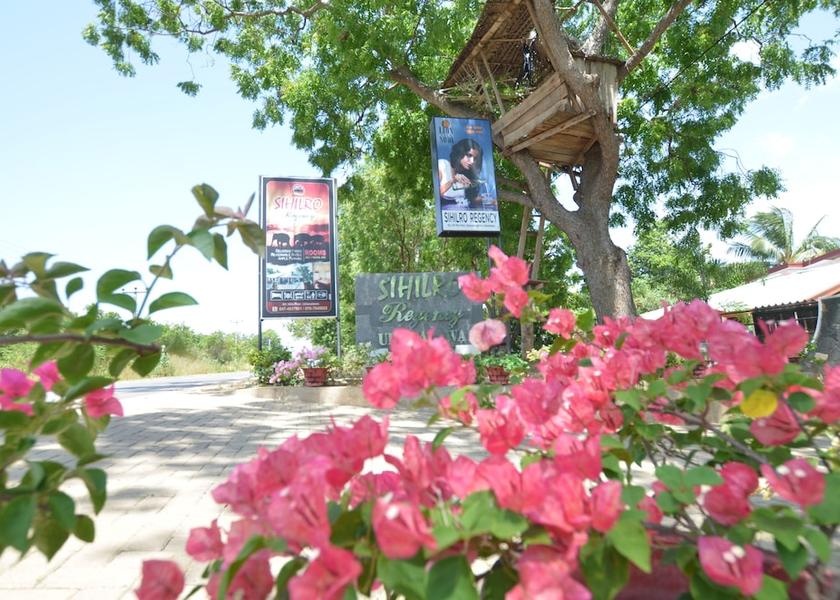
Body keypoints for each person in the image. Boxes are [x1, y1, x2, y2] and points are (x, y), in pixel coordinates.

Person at [438, 138, 485, 208]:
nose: (472, 161)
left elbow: (471, 200)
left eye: (475, 159)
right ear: (459, 153)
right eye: (469, 155)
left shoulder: (468, 176)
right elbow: (436, 194)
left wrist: (489, 201)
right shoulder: (442, 164)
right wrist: (453, 180)